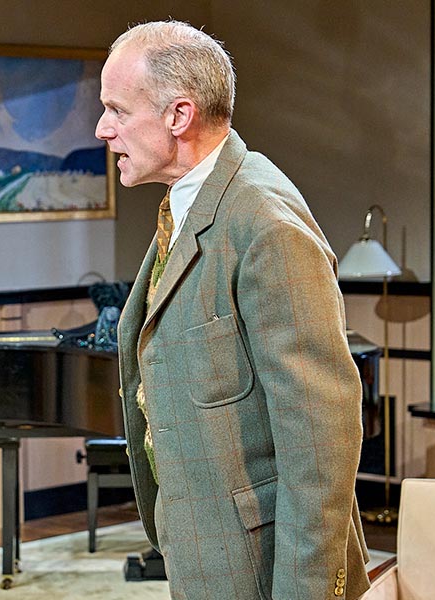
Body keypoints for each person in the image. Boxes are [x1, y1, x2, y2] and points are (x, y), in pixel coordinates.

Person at [98, 21, 370, 599]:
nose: (103, 128)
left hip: (263, 567)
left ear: (179, 115)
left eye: (117, 110)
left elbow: (320, 436)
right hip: (208, 551)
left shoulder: (264, 223)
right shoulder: (193, 202)